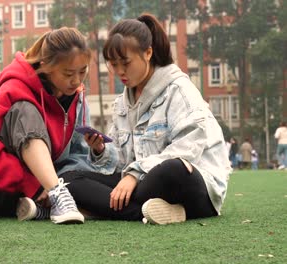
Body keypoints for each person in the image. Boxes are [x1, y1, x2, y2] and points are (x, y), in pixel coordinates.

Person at [61, 13, 231, 225]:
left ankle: (103, 208)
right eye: (113, 64)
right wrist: (101, 151)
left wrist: (134, 174)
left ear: (148, 53)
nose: (119, 72)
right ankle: (155, 212)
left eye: (126, 63)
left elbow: (188, 148)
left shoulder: (179, 90)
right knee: (69, 179)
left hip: (192, 185)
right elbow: (121, 163)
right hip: (143, 185)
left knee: (172, 169)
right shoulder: (122, 103)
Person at [0, 27, 113, 224]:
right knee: (25, 109)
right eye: (68, 73)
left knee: (84, 184)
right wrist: (35, 185)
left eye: (83, 71)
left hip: (36, 192)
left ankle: (42, 208)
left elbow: (76, 157)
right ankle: (57, 195)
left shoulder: (78, 100)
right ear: (45, 65)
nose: (76, 80)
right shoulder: (14, 89)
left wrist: (96, 152)